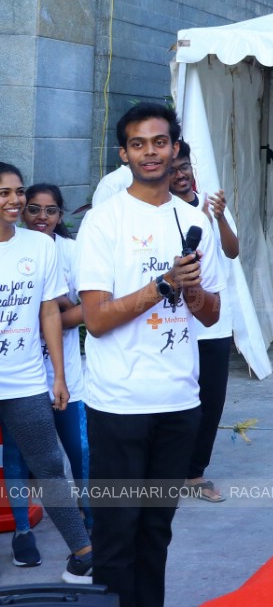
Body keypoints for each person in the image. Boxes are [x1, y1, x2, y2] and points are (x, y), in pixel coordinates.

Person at [76, 102, 222, 607]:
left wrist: (192, 289)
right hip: (118, 405)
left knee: (156, 530)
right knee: (117, 535)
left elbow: (210, 313)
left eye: (160, 142)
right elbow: (95, 320)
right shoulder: (103, 222)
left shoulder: (192, 220)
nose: (151, 152)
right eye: (139, 144)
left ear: (175, 148)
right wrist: (161, 285)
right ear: (125, 154)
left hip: (179, 404)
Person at [0, 165, 94, 583]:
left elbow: (48, 311)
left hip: (24, 381)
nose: (15, 201)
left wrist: (57, 374)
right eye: (4, 193)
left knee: (50, 465)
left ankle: (84, 553)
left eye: (17, 192)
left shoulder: (40, 247)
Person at [168, 145, 238, 504]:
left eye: (185, 168)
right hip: (172, 320)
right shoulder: (158, 212)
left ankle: (195, 473)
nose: (180, 175)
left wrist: (221, 217)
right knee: (175, 397)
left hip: (212, 320)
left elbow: (233, 250)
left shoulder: (209, 204)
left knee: (210, 399)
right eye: (173, 169)